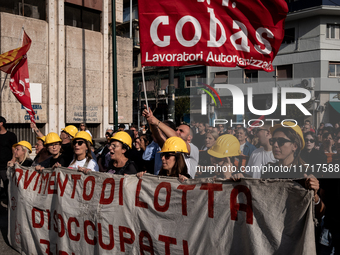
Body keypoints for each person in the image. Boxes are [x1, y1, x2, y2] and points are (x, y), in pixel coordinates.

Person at [142, 106, 199, 179]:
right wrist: (151, 122)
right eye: (177, 129)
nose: (177, 132)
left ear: (189, 137)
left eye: (181, 131)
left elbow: (177, 138)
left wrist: (155, 120)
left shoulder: (194, 149)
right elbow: (159, 138)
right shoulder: (171, 145)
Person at [0, 116, 17, 198]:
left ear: (1, 123)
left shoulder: (11, 135)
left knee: (8, 187)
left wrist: (13, 160)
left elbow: (14, 149)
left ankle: (9, 206)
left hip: (5, 167)